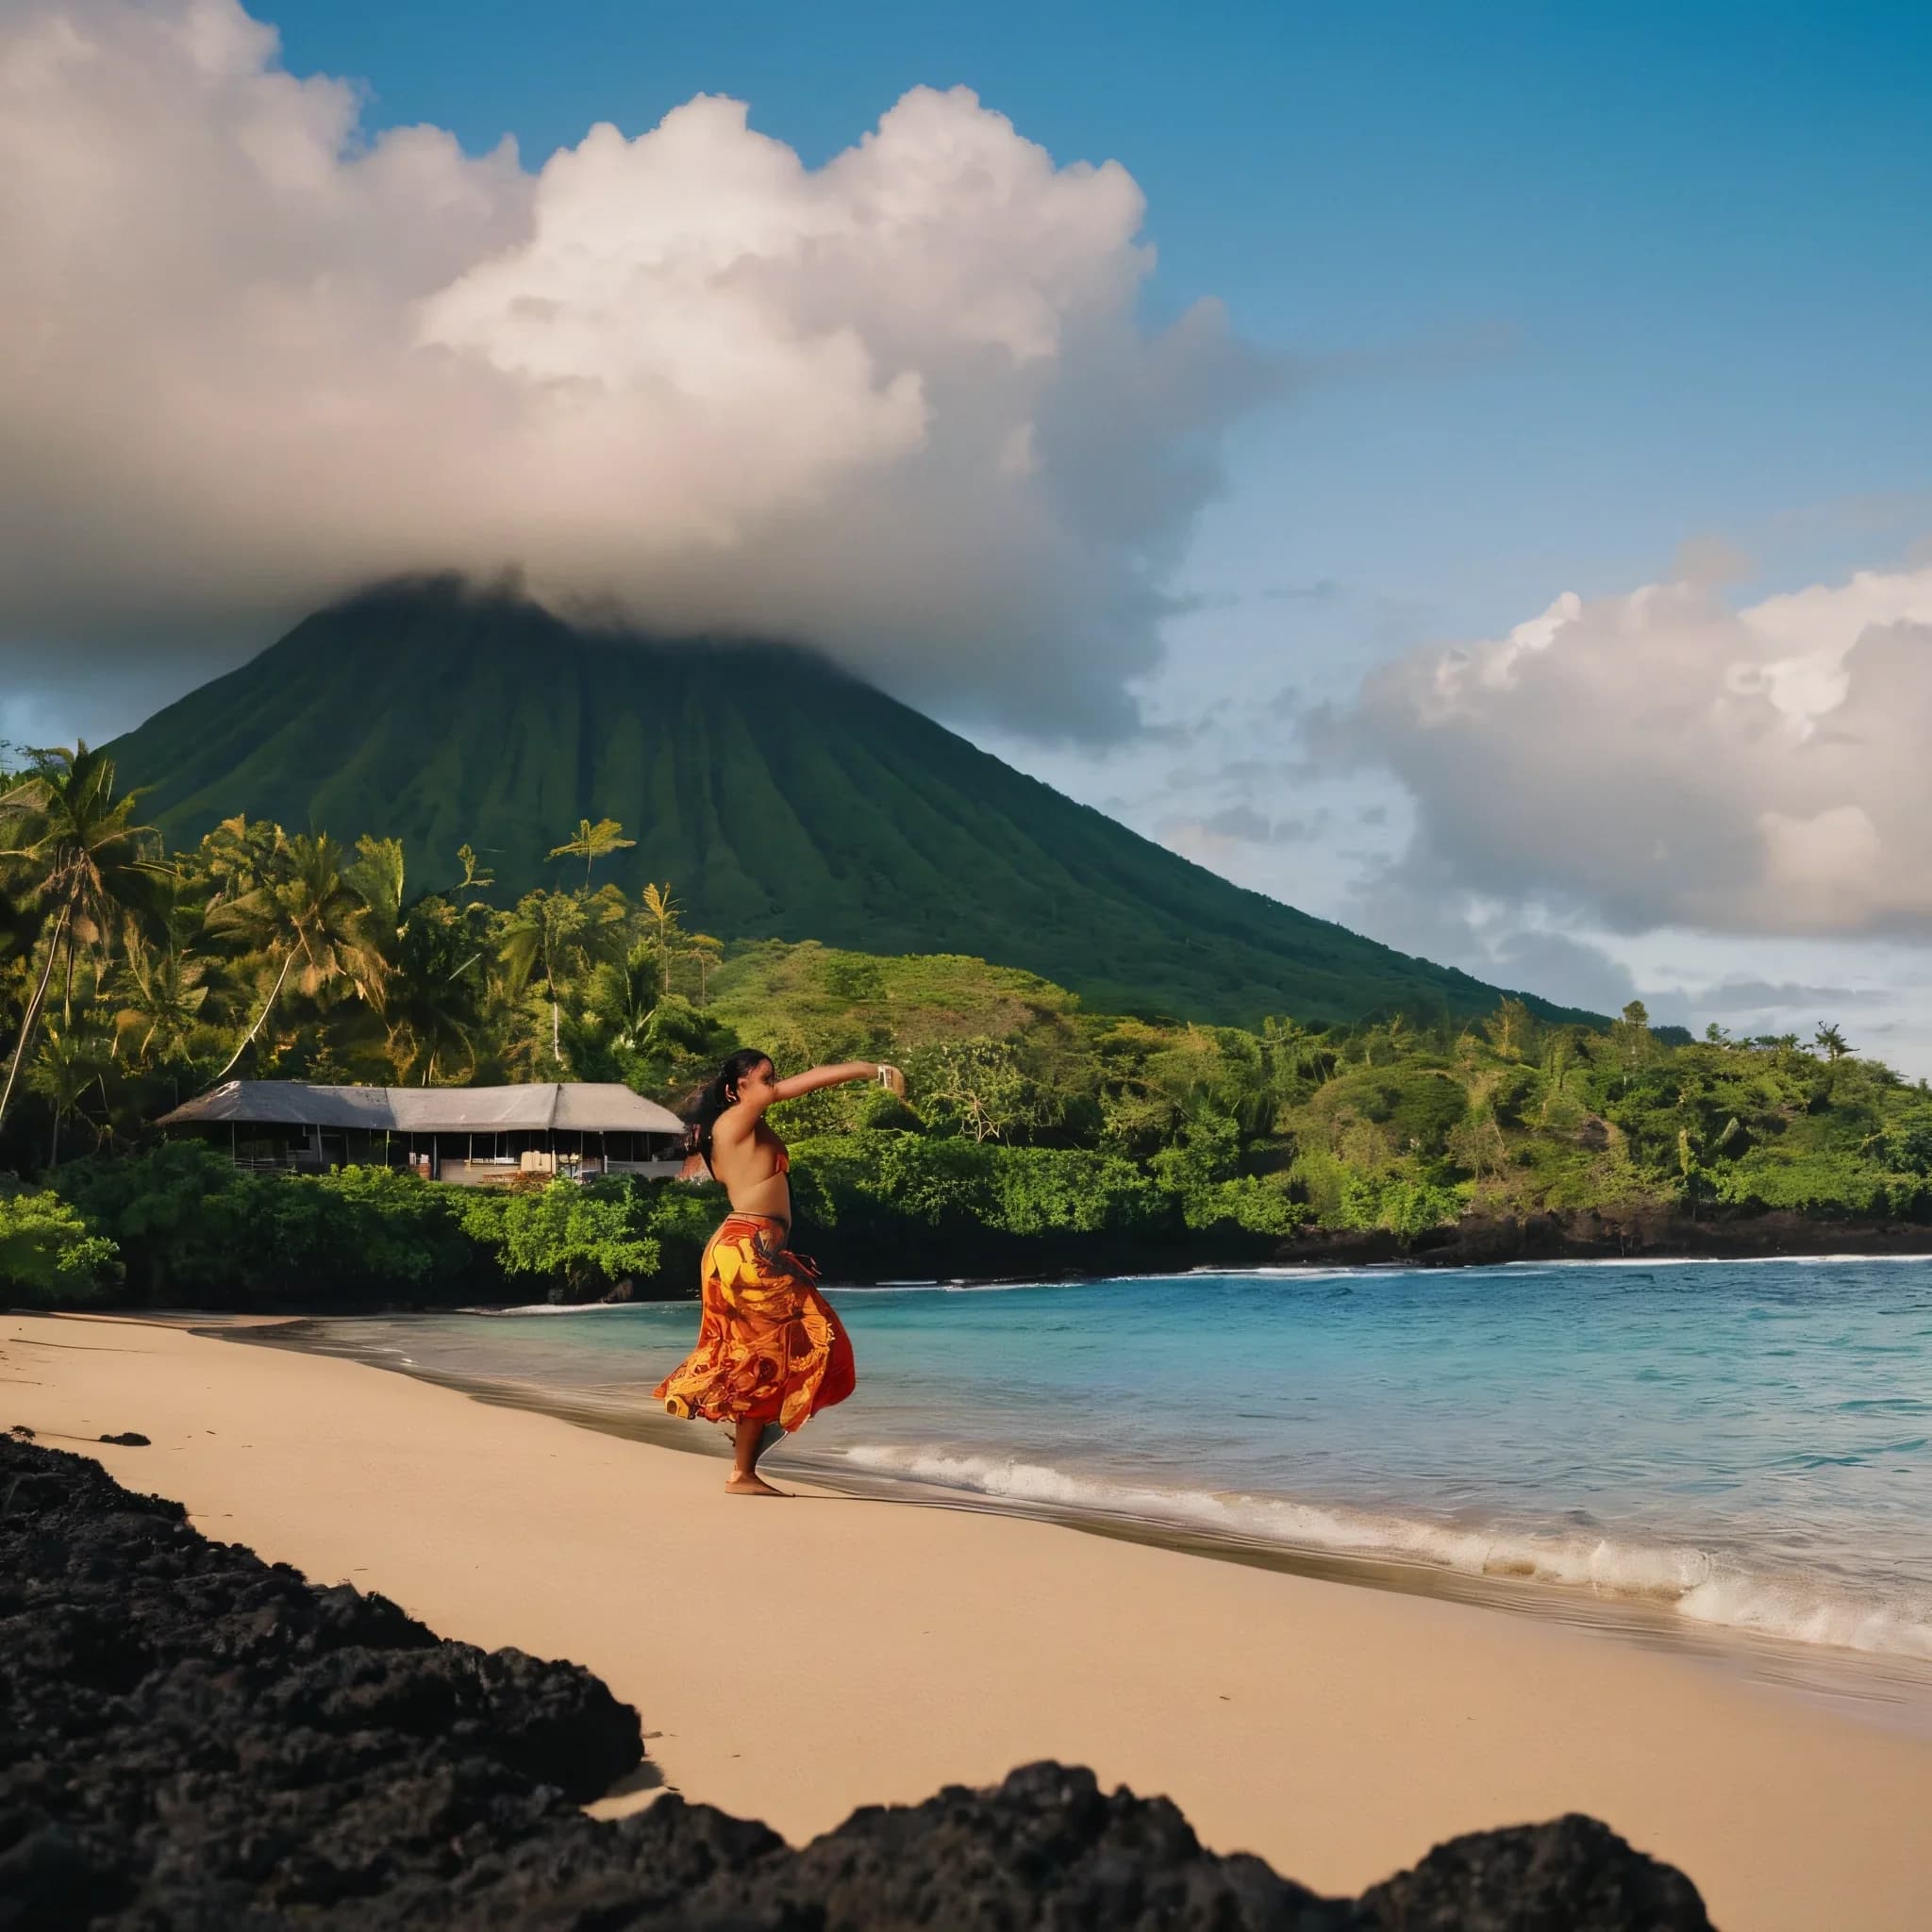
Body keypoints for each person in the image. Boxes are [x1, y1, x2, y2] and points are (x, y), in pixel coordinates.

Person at [654, 1048, 906, 1495]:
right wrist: (872, 1070)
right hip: (748, 1252)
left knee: (768, 1358)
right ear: (736, 1089)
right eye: (764, 1078)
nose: (773, 1085)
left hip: (740, 1251)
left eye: (774, 1077)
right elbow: (808, 1081)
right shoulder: (736, 1119)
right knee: (813, 1345)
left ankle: (744, 1463)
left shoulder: (732, 1129)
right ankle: (738, 1455)